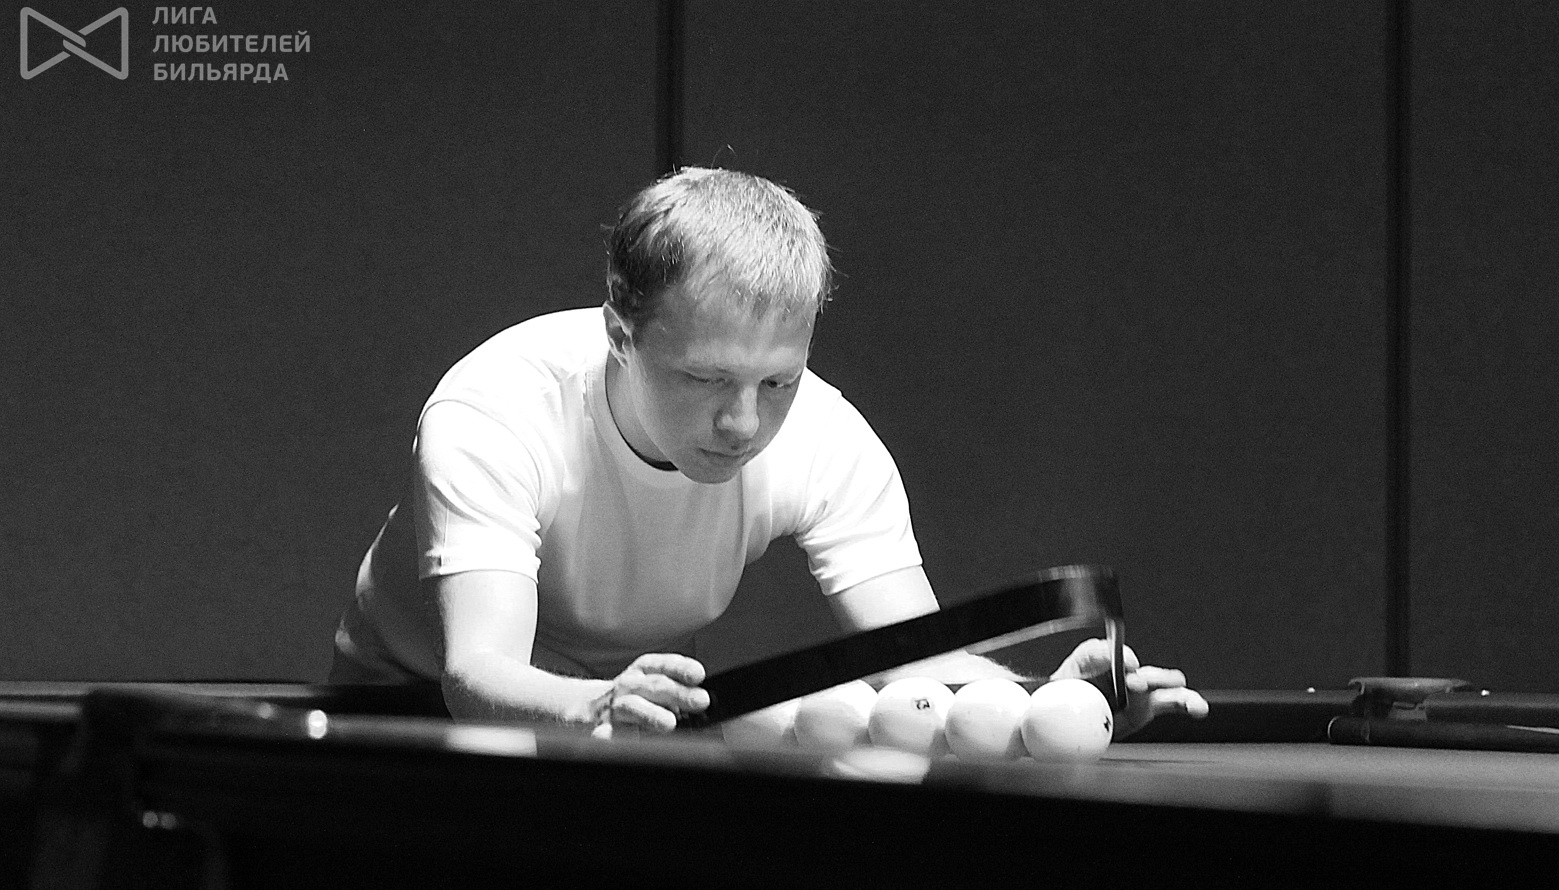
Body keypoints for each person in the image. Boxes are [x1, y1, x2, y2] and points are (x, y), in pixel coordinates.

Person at [332, 167, 1206, 733]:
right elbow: (478, 672)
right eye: (705, 378)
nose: (744, 424)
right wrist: (596, 701)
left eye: (778, 381)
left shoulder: (825, 434)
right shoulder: (495, 409)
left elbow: (918, 662)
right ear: (619, 333)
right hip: (398, 715)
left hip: (628, 713)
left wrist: (1048, 702)